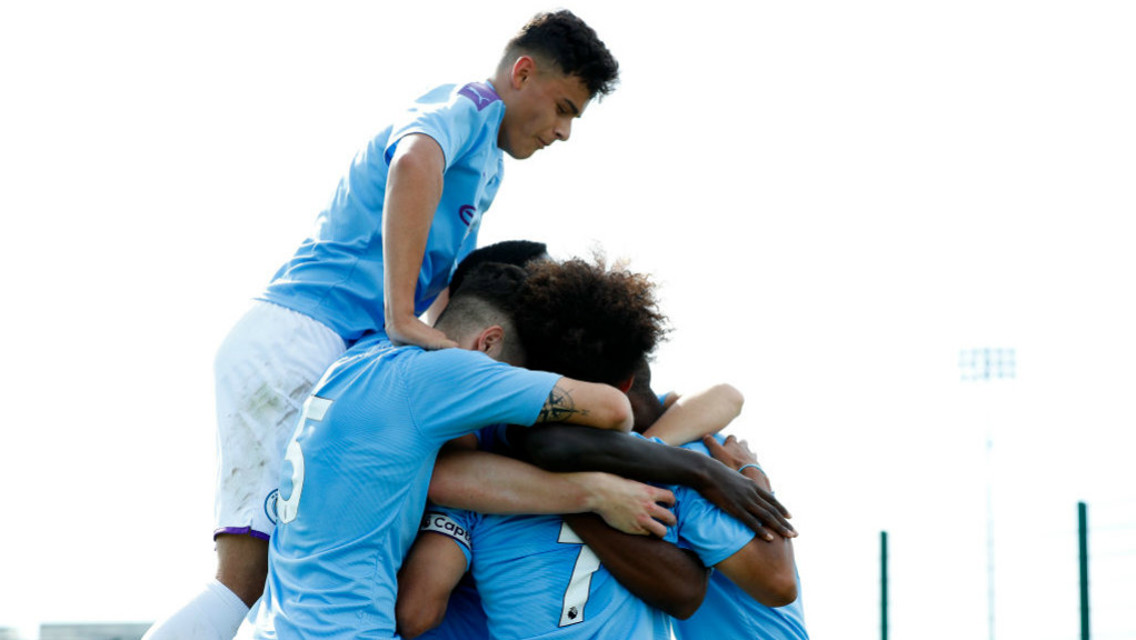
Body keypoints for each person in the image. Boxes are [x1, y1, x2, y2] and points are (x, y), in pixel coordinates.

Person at [144, 11, 619, 640]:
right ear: (522, 72)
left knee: (290, 578)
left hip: (331, 351)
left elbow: (447, 282)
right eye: (562, 108)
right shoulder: (467, 106)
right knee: (246, 579)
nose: (561, 132)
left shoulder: (490, 165)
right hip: (300, 335)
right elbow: (413, 162)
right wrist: (401, 318)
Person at [250, 256, 670, 639]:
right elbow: (614, 409)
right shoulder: (446, 373)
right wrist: (596, 491)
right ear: (487, 343)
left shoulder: (356, 359)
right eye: (510, 378)